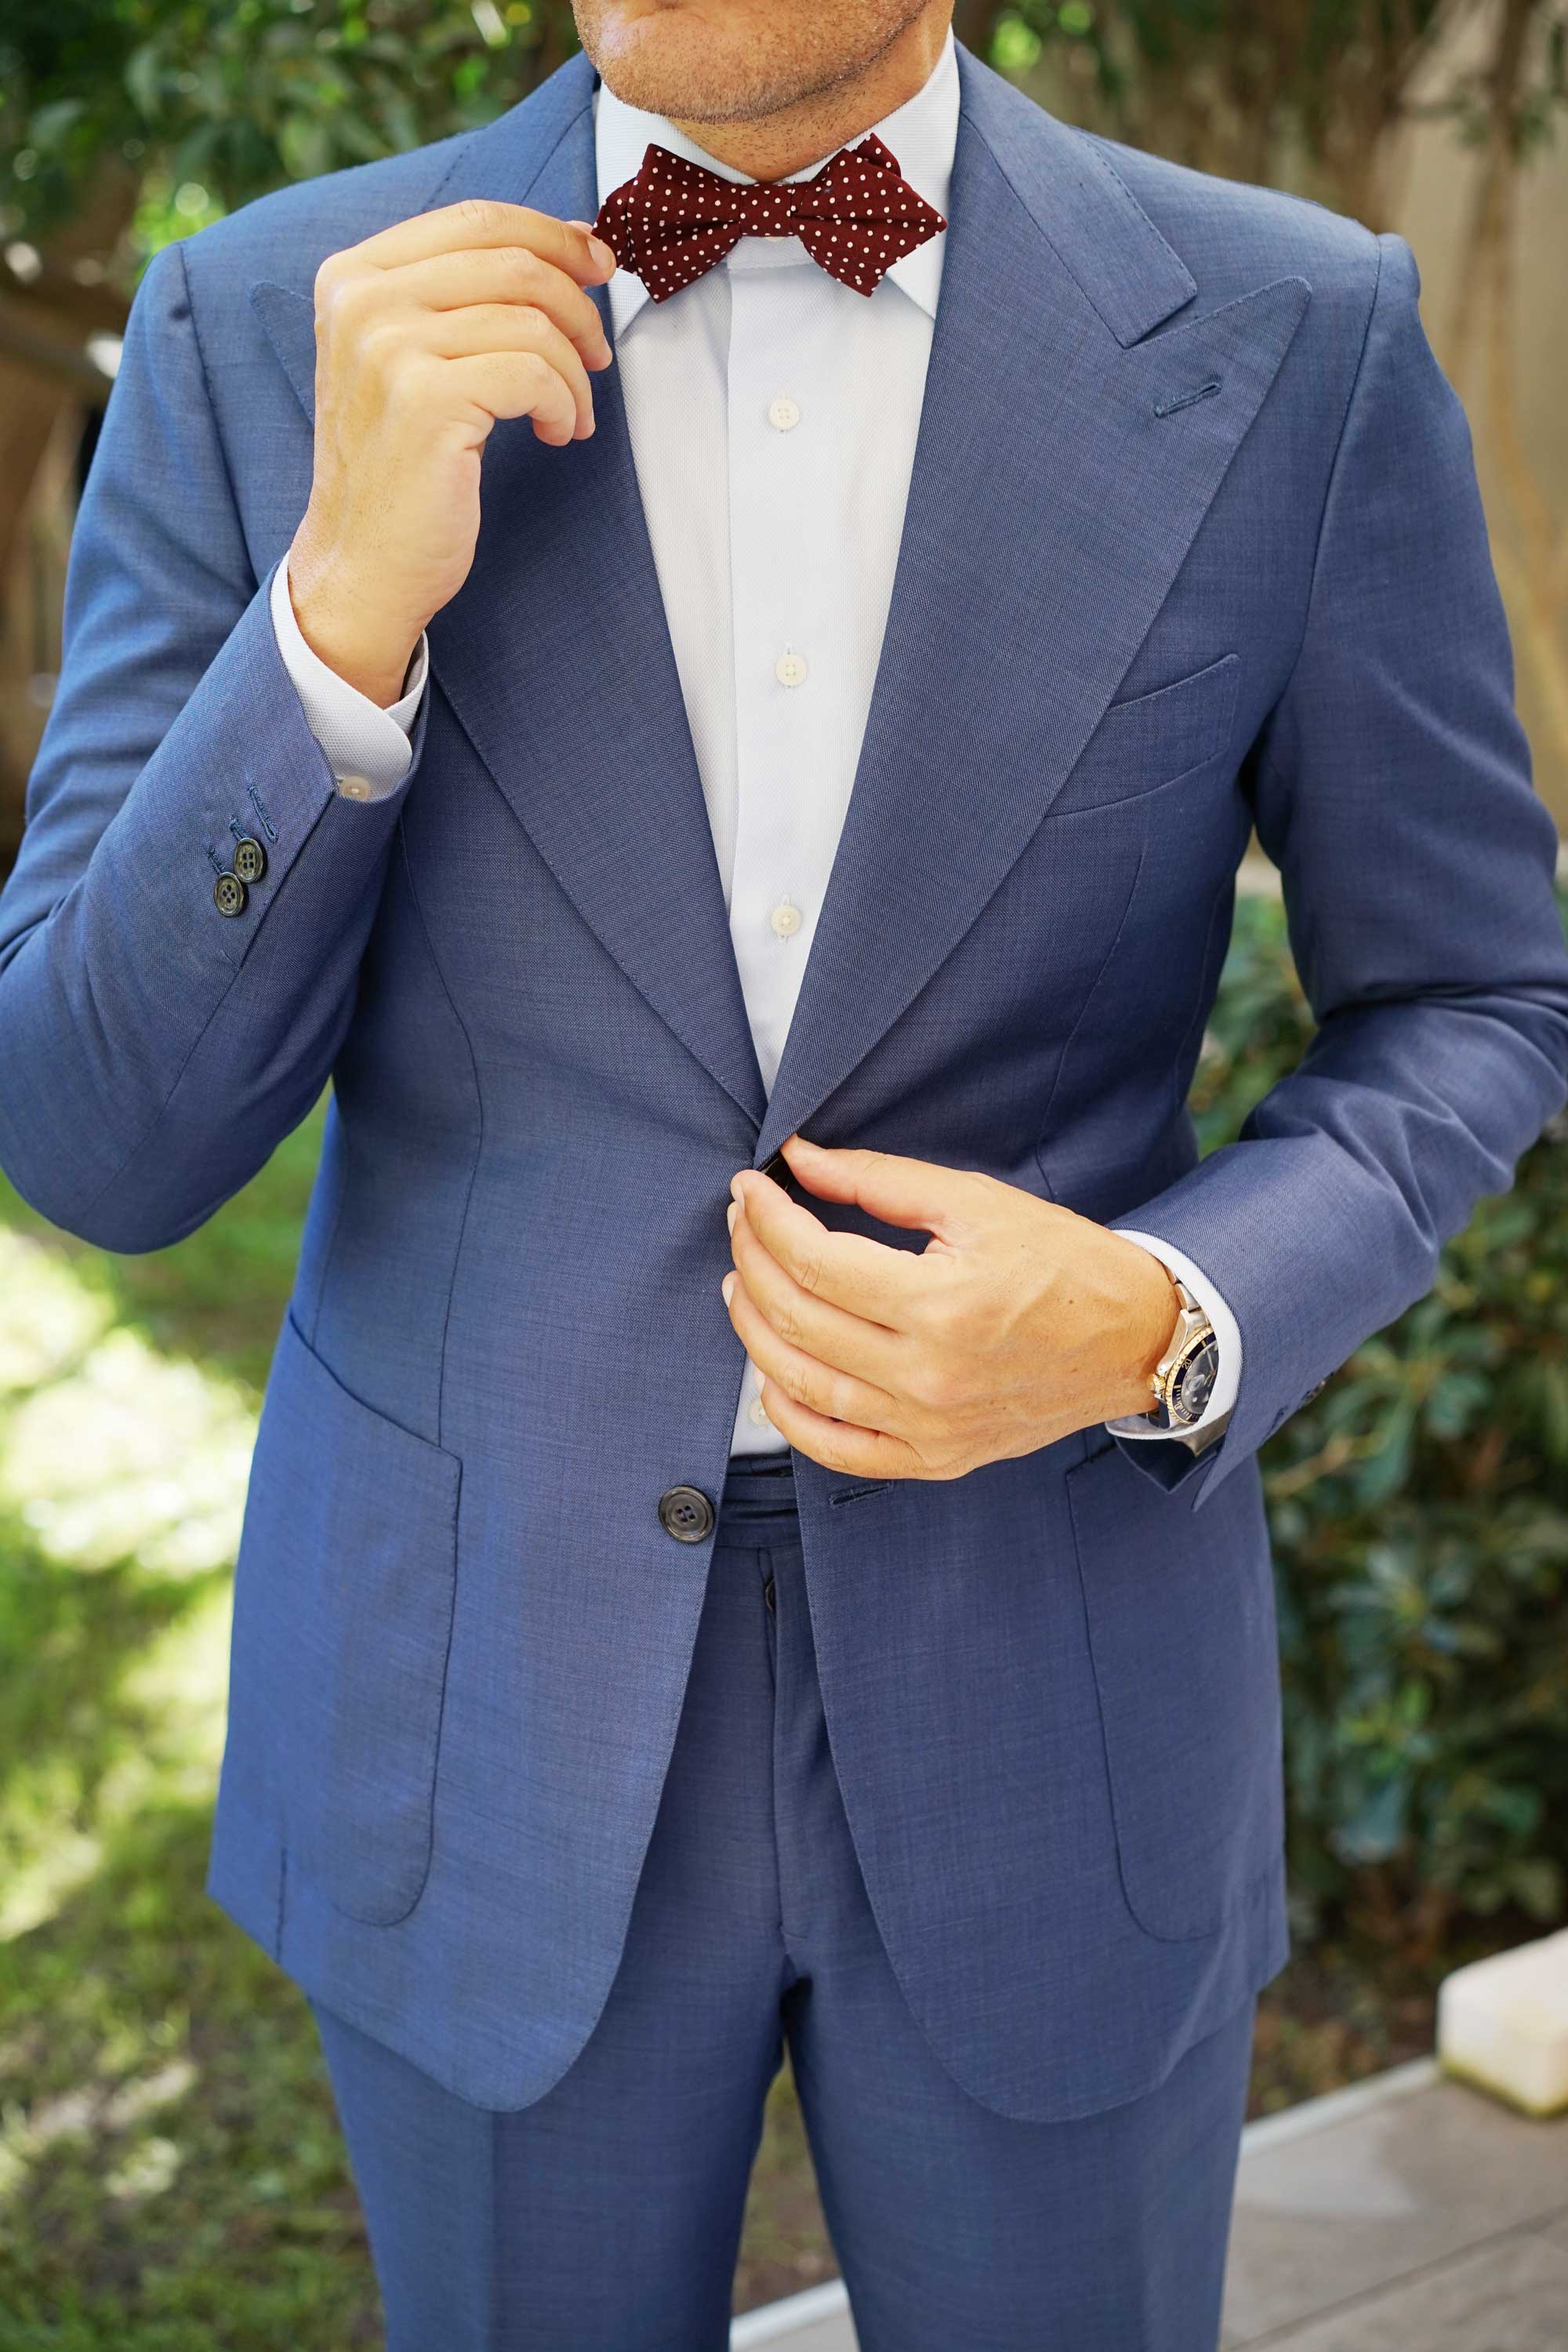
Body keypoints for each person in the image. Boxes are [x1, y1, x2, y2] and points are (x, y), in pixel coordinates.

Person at [2, 1, 1566, 2343]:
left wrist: (1163, 1312)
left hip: (1060, 1693)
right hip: (479, 1709)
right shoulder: (264, 326)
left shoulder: (1292, 337)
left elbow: (1477, 997)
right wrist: (332, 620)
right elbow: (95, 1143)